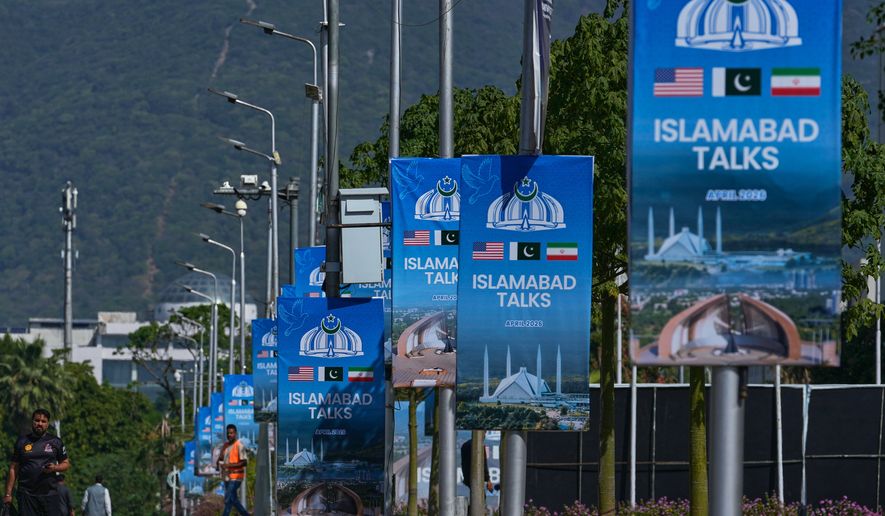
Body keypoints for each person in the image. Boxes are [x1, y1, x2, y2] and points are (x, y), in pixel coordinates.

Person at [4, 408, 71, 516]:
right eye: (37, 420)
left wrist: (54, 468)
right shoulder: (22, 441)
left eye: (43, 421)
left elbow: (66, 464)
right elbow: (13, 468)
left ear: (47, 424)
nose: (40, 424)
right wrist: (8, 494)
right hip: (26, 495)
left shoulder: (56, 442)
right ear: (32, 422)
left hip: (50, 494)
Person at [216, 425, 249, 516]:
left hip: (236, 477)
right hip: (227, 477)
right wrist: (218, 462)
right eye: (228, 433)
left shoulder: (239, 445)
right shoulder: (225, 445)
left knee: (228, 498)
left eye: (231, 433)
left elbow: (244, 463)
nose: (229, 435)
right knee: (233, 499)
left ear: (235, 433)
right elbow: (221, 457)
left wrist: (228, 465)